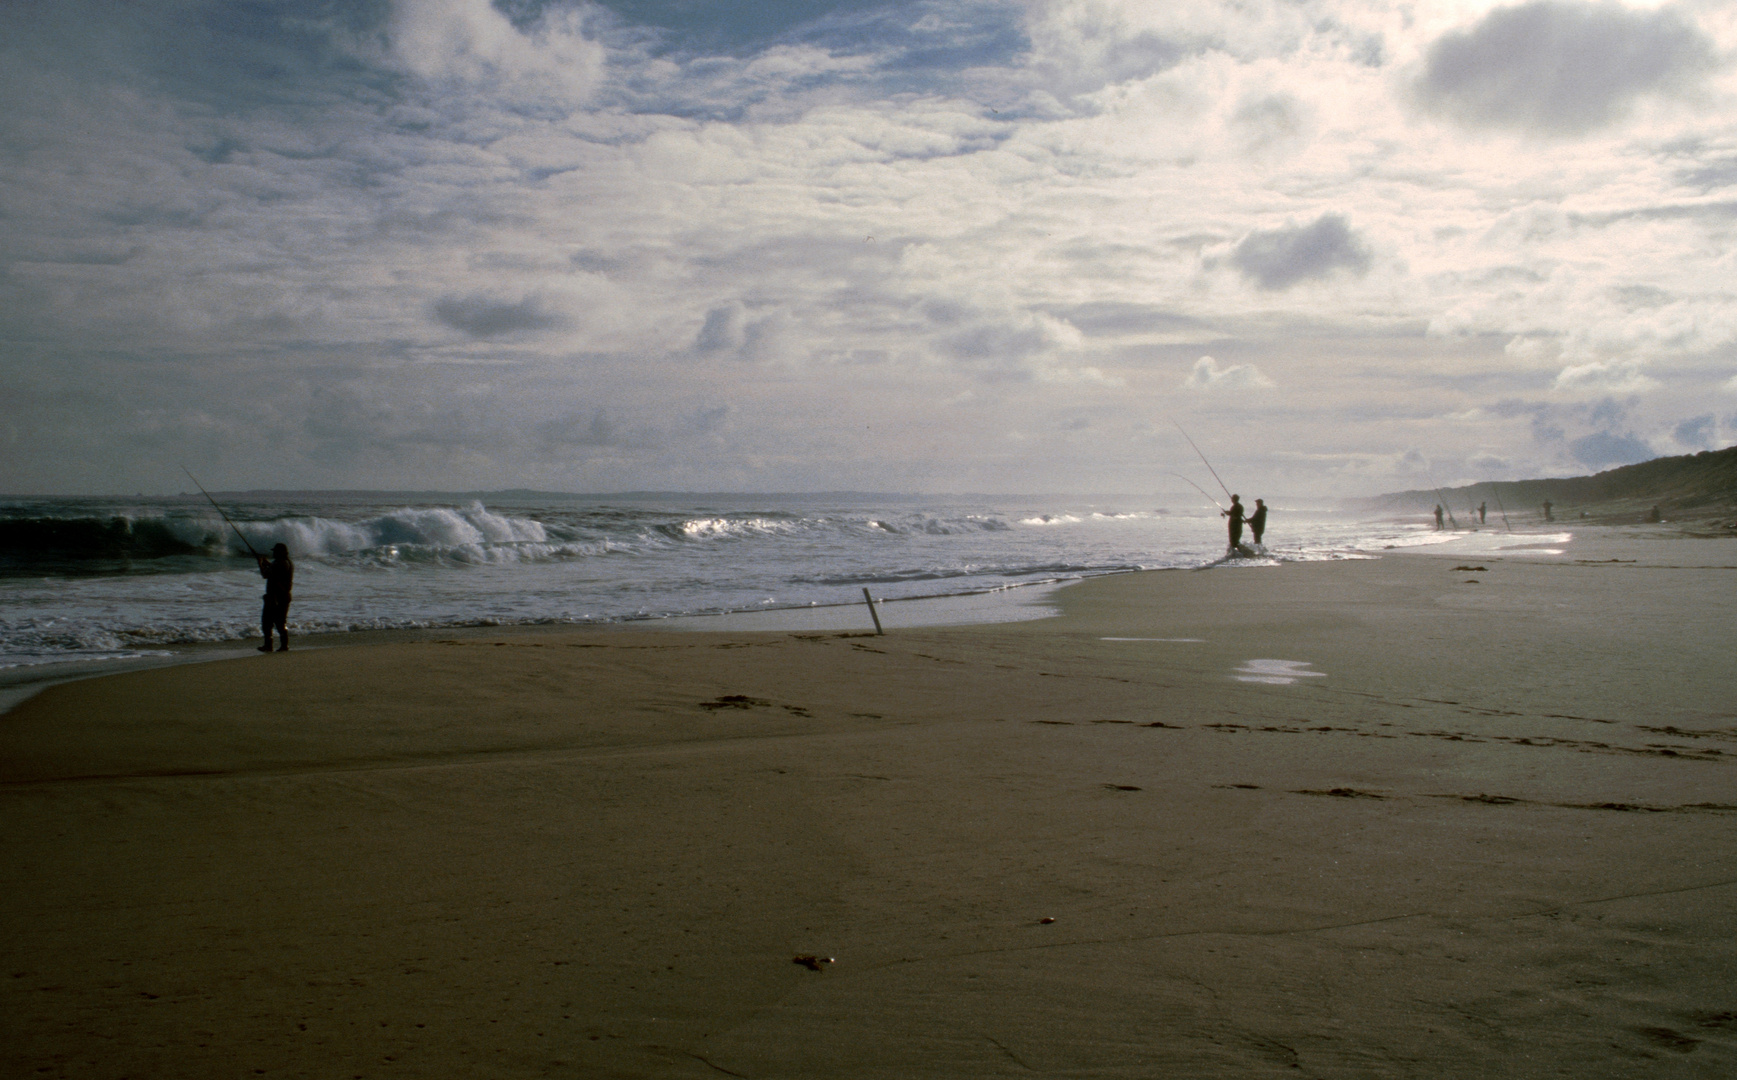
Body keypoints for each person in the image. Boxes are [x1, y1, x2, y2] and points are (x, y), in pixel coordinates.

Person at [257, 542, 293, 652]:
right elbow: (274, 571)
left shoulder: (279, 564)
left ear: (281, 552)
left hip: (275, 597)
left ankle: (269, 645)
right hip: (283, 596)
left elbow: (265, 574)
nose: (274, 554)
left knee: (267, 622)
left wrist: (260, 564)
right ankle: (284, 645)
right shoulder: (287, 563)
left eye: (276, 552)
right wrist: (268, 564)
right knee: (280, 622)